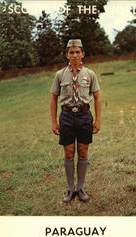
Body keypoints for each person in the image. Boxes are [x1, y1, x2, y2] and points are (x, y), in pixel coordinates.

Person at [50, 39, 101, 203]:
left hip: (84, 115)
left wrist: (98, 120)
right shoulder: (60, 75)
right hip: (66, 116)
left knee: (83, 151)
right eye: (71, 52)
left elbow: (98, 98)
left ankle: (80, 187)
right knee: (69, 152)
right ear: (67, 55)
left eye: (77, 52)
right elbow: (53, 98)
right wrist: (53, 121)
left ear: (83, 54)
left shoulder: (90, 74)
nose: (74, 55)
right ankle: (70, 189)